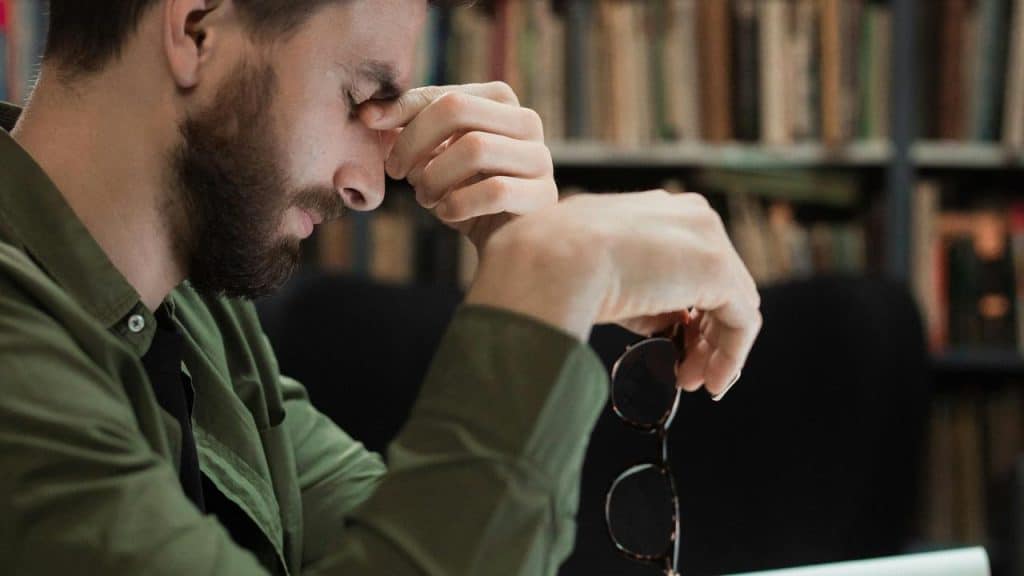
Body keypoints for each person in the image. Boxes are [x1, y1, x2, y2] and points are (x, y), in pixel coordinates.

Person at [0, 0, 762, 574]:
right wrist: (546, 276)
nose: (369, 186)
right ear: (196, 29)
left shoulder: (193, 319)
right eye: (356, 97)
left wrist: (524, 254)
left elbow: (409, 544)